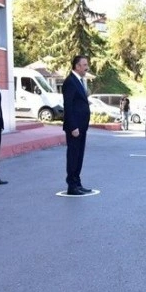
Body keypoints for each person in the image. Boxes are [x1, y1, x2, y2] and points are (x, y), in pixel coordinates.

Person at [63, 55, 92, 195]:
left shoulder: (79, 81)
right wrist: (73, 126)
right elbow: (68, 106)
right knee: (73, 155)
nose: (87, 67)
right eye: (84, 64)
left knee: (79, 155)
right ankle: (71, 186)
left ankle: (77, 182)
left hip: (82, 126)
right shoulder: (70, 82)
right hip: (74, 127)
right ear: (77, 66)